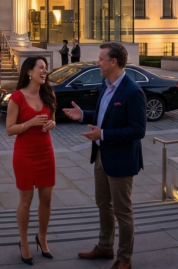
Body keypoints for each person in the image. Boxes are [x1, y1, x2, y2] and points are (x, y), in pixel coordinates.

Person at [63, 42, 146, 269]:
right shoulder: (105, 84)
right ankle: (105, 246)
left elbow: (138, 130)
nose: (97, 63)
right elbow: (103, 115)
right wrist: (82, 115)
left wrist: (105, 134)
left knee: (122, 211)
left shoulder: (132, 91)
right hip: (101, 155)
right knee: (103, 204)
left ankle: (124, 259)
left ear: (113, 62)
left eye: (101, 59)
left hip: (121, 160)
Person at [7, 56, 57, 264]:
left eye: (46, 68)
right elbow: (10, 129)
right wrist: (29, 123)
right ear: (29, 72)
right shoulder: (16, 97)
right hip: (25, 154)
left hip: (46, 152)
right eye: (41, 68)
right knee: (26, 201)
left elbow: (52, 119)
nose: (45, 71)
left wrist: (51, 124)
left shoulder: (49, 94)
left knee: (46, 199)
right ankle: (24, 241)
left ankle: (42, 237)